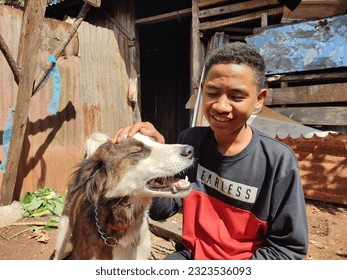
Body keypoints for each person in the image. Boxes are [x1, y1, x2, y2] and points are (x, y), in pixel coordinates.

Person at [112, 42, 308, 260]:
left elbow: (288, 249)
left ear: (259, 100)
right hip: (190, 256)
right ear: (203, 90)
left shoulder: (277, 161)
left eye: (236, 96)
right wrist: (158, 156)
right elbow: (161, 212)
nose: (221, 106)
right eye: (213, 93)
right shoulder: (191, 141)